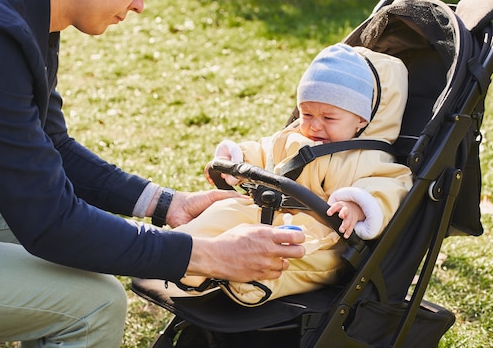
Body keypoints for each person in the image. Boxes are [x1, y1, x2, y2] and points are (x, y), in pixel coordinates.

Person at [0, 0, 305, 346]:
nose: (139, 4)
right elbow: (49, 223)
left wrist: (168, 205)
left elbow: (51, 145)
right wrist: (209, 255)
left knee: (89, 254)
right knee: (96, 303)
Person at [175, 43, 414, 306]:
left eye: (329, 118)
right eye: (306, 113)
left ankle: (245, 281)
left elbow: (392, 185)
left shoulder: (367, 157)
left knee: (288, 255)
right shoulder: (293, 138)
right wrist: (237, 159)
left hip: (321, 238)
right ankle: (181, 253)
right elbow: (266, 152)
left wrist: (357, 205)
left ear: (361, 119)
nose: (314, 124)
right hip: (268, 212)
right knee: (226, 211)